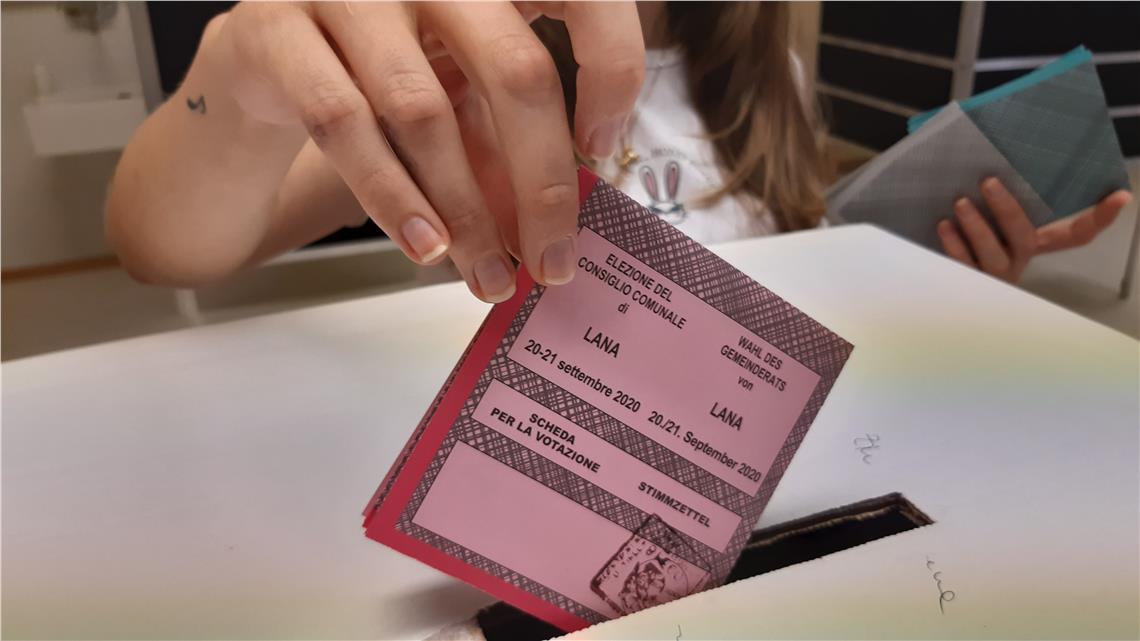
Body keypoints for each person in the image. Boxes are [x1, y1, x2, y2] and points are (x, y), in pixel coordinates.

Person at [106, 1, 1131, 304]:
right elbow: (163, 247)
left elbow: (799, 274)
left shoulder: (764, 70)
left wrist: (932, 268)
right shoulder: (443, 67)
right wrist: (235, 75)